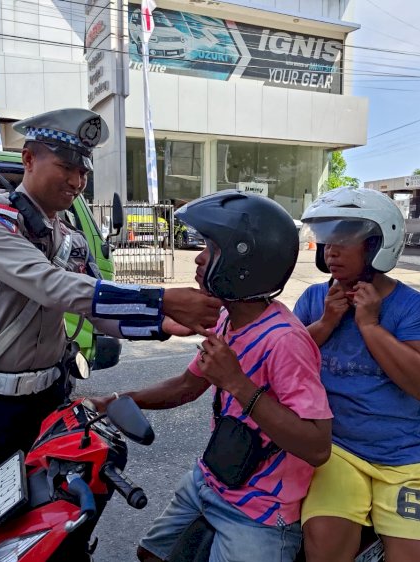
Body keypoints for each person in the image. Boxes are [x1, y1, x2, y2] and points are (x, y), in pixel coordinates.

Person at [0, 108, 222, 560]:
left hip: (42, 403)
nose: (77, 181)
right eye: (66, 166)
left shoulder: (69, 237)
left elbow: (96, 312)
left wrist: (162, 325)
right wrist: (162, 299)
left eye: (83, 170)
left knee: (47, 521)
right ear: (29, 159)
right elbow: (53, 286)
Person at [91, 190, 333, 562]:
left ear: (244, 262)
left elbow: (317, 447)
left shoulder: (286, 342)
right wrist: (116, 401)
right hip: (211, 479)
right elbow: (188, 387)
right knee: (151, 554)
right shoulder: (227, 318)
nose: (200, 258)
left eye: (211, 249)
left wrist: (237, 383)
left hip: (260, 510)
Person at [295, 187, 420, 562]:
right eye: (326, 240)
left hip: (404, 455)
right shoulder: (314, 301)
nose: (331, 250)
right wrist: (327, 322)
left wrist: (370, 326)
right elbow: (285, 363)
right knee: (323, 546)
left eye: (343, 239)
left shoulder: (410, 306)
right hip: (337, 449)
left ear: (378, 244)